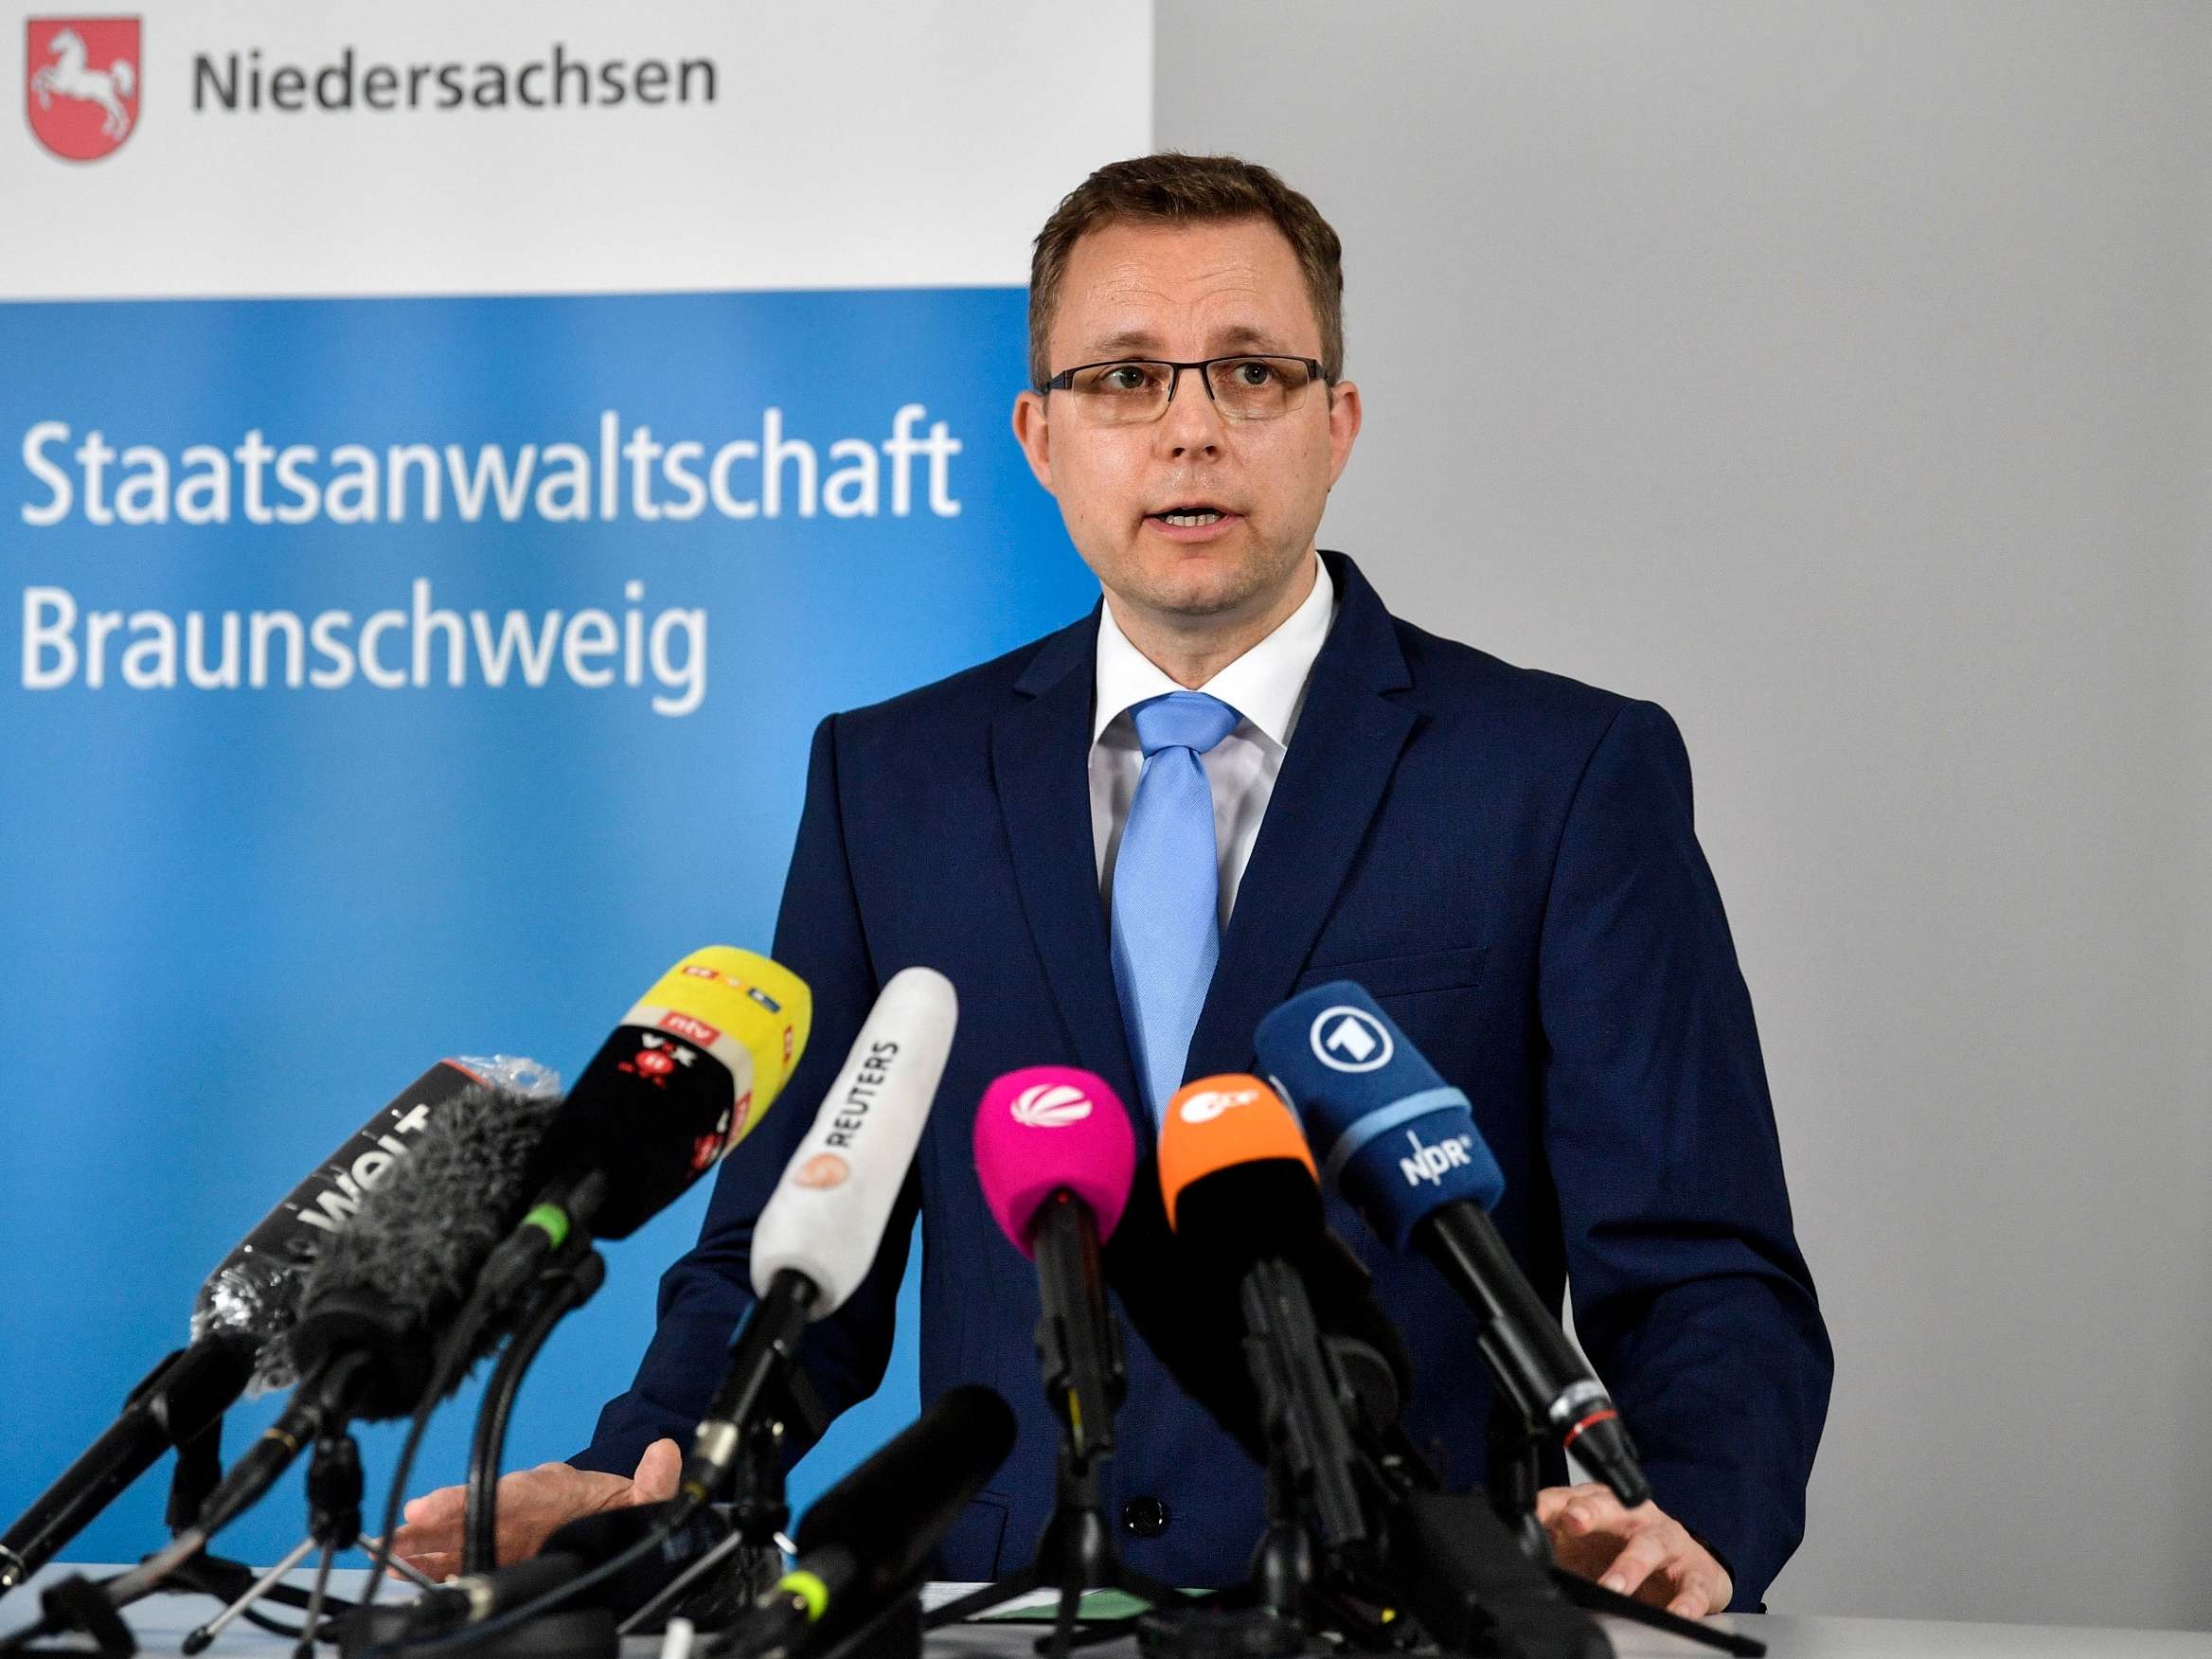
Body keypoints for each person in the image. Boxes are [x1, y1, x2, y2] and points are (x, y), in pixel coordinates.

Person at [394, 153, 1831, 1617]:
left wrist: (1686, 1521)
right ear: (1040, 432)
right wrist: (637, 1466)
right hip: (1011, 1612)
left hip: (1417, 1610)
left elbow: (1701, 1270)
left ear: (1337, 425)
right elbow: (790, 1254)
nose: (1192, 430)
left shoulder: (1562, 774)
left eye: (1253, 374)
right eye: (1128, 377)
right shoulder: (892, 784)